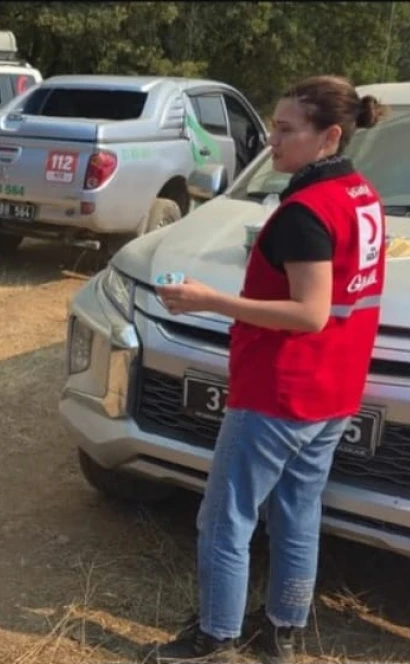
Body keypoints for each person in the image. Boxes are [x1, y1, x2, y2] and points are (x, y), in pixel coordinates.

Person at [150, 76, 387, 664]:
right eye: (273, 126)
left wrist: (211, 300)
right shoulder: (361, 194)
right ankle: (280, 627)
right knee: (298, 510)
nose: (272, 141)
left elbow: (308, 313)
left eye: (286, 130)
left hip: (282, 389)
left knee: (225, 517)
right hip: (334, 388)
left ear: (329, 136)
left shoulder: (305, 212)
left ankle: (217, 637)